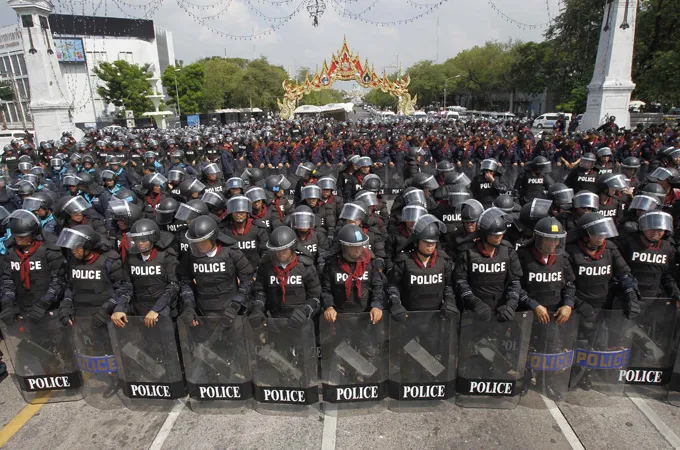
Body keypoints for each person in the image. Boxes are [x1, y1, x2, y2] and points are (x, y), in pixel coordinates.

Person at [566, 213, 640, 390]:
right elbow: (565, 284)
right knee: (575, 342)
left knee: (598, 343)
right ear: (586, 234)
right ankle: (572, 373)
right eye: (598, 234)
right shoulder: (571, 252)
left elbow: (624, 274)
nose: (602, 238)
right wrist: (578, 303)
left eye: (603, 234)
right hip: (578, 307)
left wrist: (631, 293)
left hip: (601, 307)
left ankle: (588, 373)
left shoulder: (610, 249)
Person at [517, 217, 576, 401]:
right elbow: (515, 286)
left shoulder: (562, 258)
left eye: (556, 240)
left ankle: (546, 382)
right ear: (538, 238)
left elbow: (570, 285)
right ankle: (524, 379)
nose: (553, 244)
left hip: (552, 314)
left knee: (551, 350)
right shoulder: (522, 255)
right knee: (524, 347)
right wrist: (533, 305)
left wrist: (568, 304)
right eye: (549, 239)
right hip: (527, 312)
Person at [178, 215, 254, 326]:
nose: (198, 245)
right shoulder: (190, 256)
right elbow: (186, 282)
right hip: (202, 314)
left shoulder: (231, 252)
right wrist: (189, 306)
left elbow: (247, 281)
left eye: (202, 241)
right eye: (195, 242)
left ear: (212, 238)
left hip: (230, 314)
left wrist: (235, 305)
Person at [454, 207, 522, 322]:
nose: (499, 238)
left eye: (501, 234)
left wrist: (511, 304)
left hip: (501, 311)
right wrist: (473, 302)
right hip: (473, 313)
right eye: (495, 235)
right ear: (484, 234)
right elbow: (460, 281)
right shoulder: (467, 252)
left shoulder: (508, 252)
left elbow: (515, 281)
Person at [248, 226, 322, 329]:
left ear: (292, 247)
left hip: (300, 323)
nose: (280, 253)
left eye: (284, 249)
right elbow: (260, 291)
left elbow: (315, 296)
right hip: (274, 322)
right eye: (277, 250)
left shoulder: (306, 267)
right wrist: (258, 308)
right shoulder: (266, 267)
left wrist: (305, 311)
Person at [111, 219, 180, 328]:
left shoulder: (166, 255)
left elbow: (173, 285)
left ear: (153, 238)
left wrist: (156, 310)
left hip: (163, 310)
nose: (140, 243)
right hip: (139, 309)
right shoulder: (132, 257)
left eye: (143, 240)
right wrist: (120, 308)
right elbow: (127, 285)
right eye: (137, 240)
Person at [387, 215, 458, 320]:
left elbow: (448, 286)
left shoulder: (443, 261)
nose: (430, 246)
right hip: (409, 318)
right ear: (416, 242)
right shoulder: (404, 262)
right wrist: (396, 303)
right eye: (426, 242)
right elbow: (393, 286)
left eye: (433, 242)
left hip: (436, 318)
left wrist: (450, 301)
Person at [0, 210, 66, 322]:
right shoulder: (11, 254)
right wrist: (7, 303)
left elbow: (58, 280)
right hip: (24, 309)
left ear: (33, 234)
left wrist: (43, 304)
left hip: (49, 310)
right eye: (16, 236)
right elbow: (7, 280)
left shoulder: (49, 252)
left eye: (22, 236)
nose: (18, 240)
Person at [321, 224, 384, 324]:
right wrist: (329, 307)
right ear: (344, 247)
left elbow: (378, 286)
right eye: (354, 247)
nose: (358, 249)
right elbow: (326, 290)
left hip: (365, 316)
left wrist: (376, 305)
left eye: (360, 245)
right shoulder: (331, 265)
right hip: (339, 317)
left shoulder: (370, 263)